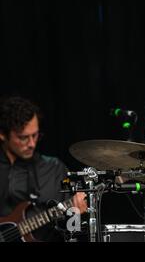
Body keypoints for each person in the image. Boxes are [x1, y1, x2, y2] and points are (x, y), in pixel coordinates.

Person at [0, 96, 87, 242]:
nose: (32, 144)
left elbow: (74, 229)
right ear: (2, 134)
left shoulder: (53, 168)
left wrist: (76, 212)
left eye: (35, 135)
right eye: (23, 138)